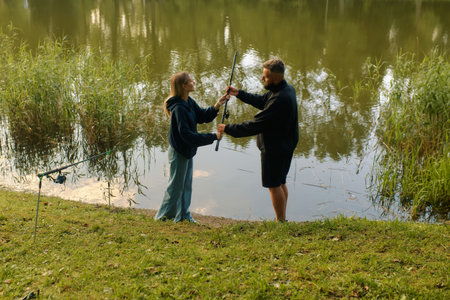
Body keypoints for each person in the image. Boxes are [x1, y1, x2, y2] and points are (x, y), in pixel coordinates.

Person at [218, 58, 298, 222]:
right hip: (285, 144)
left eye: (265, 77)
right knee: (280, 181)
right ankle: (282, 219)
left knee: (274, 184)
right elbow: (263, 101)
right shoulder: (284, 88)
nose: (262, 79)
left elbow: (255, 126)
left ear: (276, 77)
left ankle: (281, 222)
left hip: (275, 148)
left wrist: (228, 128)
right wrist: (239, 93)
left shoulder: (280, 99)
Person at [155, 71, 227, 223]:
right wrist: (213, 136)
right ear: (184, 86)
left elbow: (201, 116)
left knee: (186, 185)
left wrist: (217, 105)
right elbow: (187, 136)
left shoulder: (188, 101)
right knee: (175, 186)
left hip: (187, 151)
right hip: (179, 151)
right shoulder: (179, 108)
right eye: (191, 81)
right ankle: (163, 217)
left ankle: (182, 216)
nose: (194, 82)